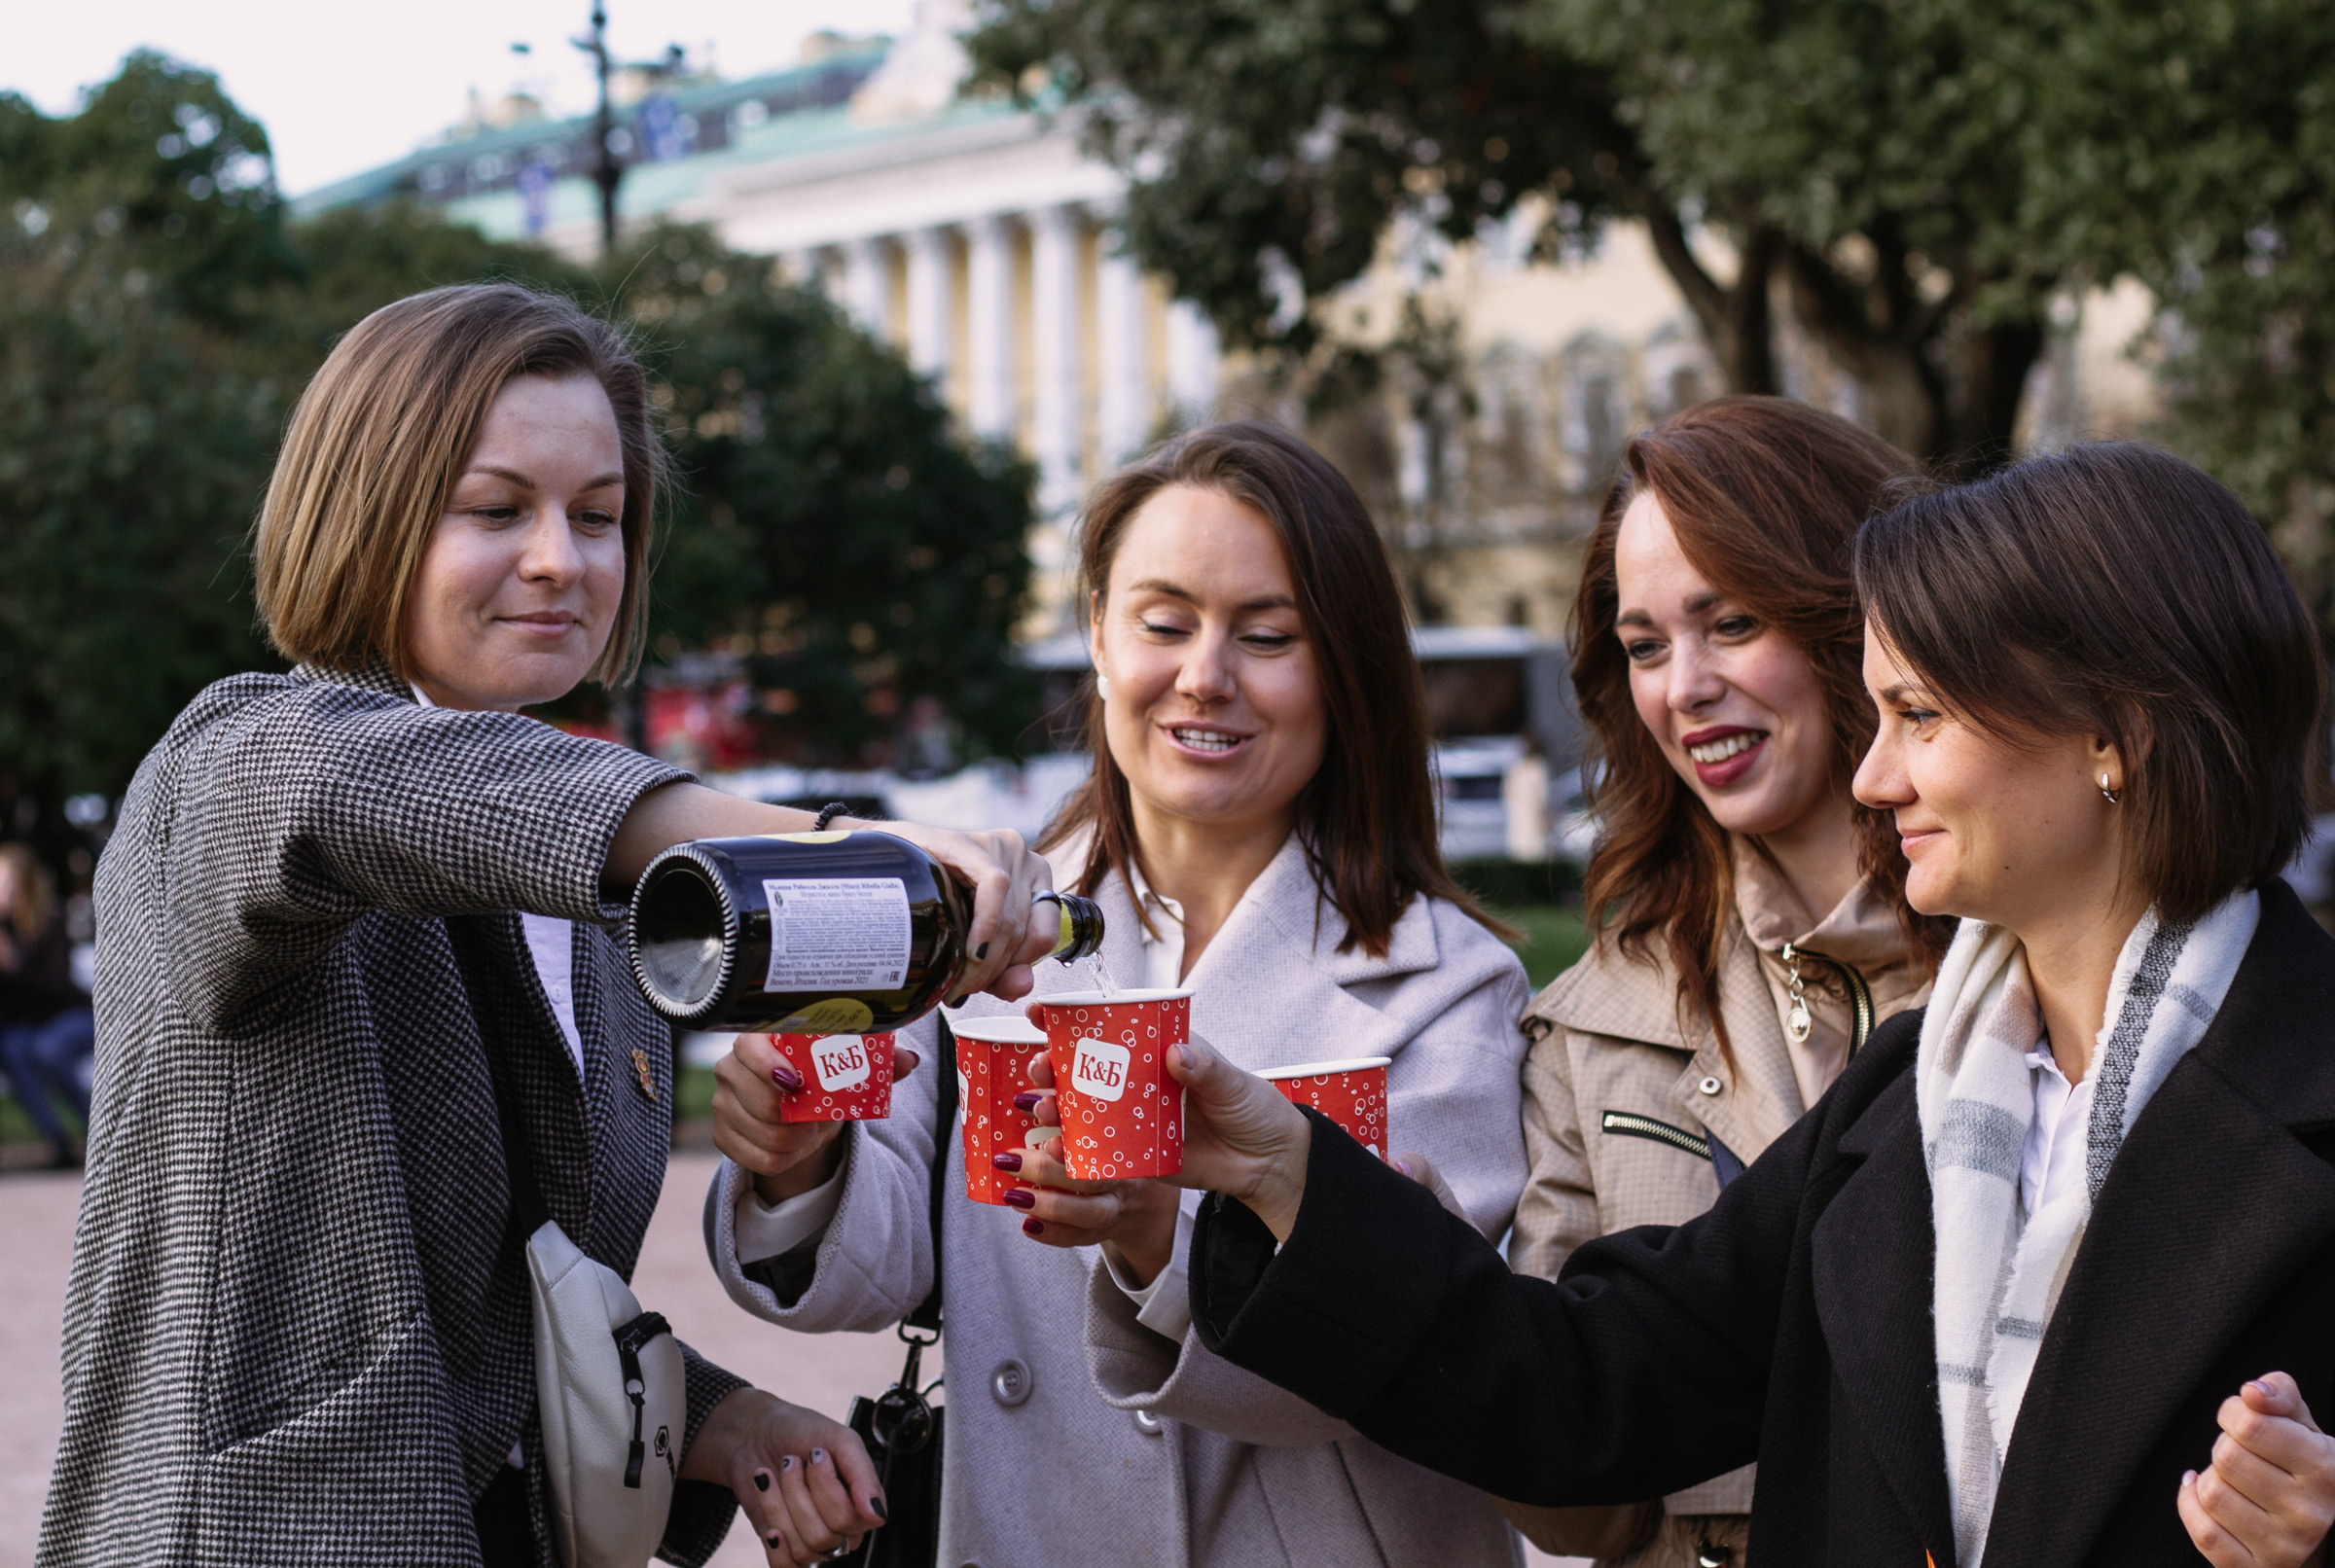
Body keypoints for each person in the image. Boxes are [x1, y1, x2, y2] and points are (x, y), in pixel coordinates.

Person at [1134, 443, 2335, 1566]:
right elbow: (1590, 1386)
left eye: (1920, 715)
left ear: (2114, 734)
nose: (1877, 774)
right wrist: (1292, 1175)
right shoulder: (1905, 1095)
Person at [40, 283, 1059, 1568]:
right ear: (366, 515)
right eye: (496, 509)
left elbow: (509, 1307)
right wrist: (828, 842)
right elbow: (380, 784)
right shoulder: (237, 764)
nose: (559, 561)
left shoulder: (611, 904)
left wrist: (722, 1419)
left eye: (598, 515)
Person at [704, 422, 1536, 1566]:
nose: (1207, 676)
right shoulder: (982, 930)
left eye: (1267, 635)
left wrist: (1160, 1244)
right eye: (1164, 622)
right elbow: (875, 1262)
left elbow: (1423, 1352)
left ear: (1343, 668)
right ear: (1098, 635)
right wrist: (797, 1162)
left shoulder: (1449, 982)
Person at [1505, 398, 1951, 1565]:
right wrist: (1443, 1299)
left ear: (1859, 619)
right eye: (1646, 646)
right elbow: (1575, 1501)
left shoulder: (2027, 962)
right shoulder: (1593, 1021)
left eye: (1733, 622)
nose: (1685, 686)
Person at [0, 843, 94, 1168]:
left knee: (49, 1048)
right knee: (12, 1049)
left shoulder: (50, 921)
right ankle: (58, 1142)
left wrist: (13, 966)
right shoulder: (5, 929)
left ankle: (99, 1133)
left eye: (6, 882)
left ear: (24, 884)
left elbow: (56, 988)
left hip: (72, 1016)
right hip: (30, 1026)